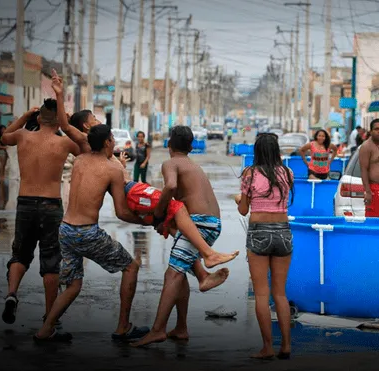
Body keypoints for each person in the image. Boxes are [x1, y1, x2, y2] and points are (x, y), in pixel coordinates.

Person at [34, 125, 149, 343]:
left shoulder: (80, 160)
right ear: (107, 142)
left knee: (74, 285)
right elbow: (122, 212)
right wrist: (148, 221)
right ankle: (123, 327)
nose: (114, 140)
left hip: (66, 229)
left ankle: (45, 330)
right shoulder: (112, 169)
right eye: (113, 137)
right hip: (86, 232)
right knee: (131, 267)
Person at [131, 126, 231, 347]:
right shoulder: (193, 165)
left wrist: (157, 214)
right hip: (212, 223)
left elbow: (171, 186)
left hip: (200, 224)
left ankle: (157, 330)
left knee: (172, 275)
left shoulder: (171, 163)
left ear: (169, 145)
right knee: (181, 269)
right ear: (191, 146)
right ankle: (181, 327)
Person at [0, 94, 80, 327]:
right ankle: (49, 317)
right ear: (58, 121)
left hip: (25, 202)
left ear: (38, 118)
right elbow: (85, 146)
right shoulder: (64, 142)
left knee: (20, 254)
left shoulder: (23, 136)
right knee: (51, 259)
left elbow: (4, 137)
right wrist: (68, 123)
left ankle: (12, 293)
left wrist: (25, 116)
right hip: (50, 205)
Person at [236, 132, 294, 360]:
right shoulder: (287, 173)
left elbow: (243, 210)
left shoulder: (249, 174)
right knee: (280, 293)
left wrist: (238, 199)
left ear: (257, 151)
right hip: (283, 232)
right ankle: (286, 345)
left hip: (259, 233)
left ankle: (268, 347)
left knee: (261, 294)